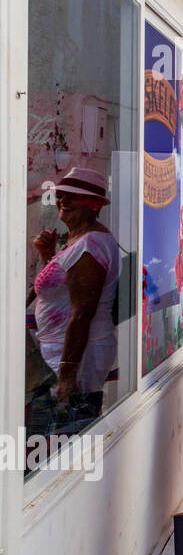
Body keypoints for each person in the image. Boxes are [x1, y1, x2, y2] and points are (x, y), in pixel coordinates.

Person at [28, 168, 120, 438]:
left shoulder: (90, 244)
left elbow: (82, 314)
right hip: (61, 352)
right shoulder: (78, 240)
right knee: (59, 435)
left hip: (76, 356)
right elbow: (59, 292)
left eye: (74, 196)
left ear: (93, 205)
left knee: (68, 435)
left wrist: (67, 377)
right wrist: (47, 256)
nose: (63, 200)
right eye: (61, 195)